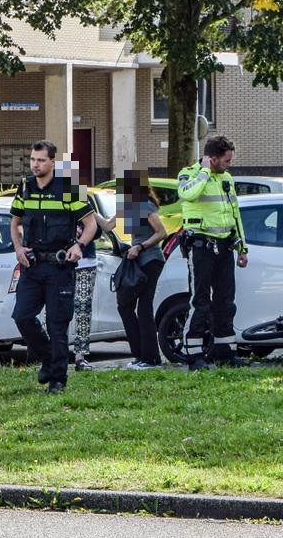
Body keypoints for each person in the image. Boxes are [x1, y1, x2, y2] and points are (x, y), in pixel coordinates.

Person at [10, 142, 97, 393]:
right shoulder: (25, 187)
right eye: (32, 160)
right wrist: (18, 248)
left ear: (52, 162)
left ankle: (58, 379)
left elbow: (90, 224)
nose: (35, 164)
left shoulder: (69, 187)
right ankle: (48, 359)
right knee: (22, 316)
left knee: (57, 325)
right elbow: (15, 223)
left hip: (59, 267)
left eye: (40, 160)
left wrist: (79, 245)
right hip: (32, 266)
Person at [177, 134, 248, 370]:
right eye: (227, 160)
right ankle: (194, 355)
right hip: (201, 247)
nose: (230, 165)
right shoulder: (189, 173)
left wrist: (242, 248)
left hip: (225, 246)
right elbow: (187, 194)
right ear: (213, 159)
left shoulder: (226, 178)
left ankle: (225, 353)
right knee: (200, 301)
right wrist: (205, 172)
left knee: (225, 302)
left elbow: (235, 213)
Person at [115, 170, 168, 369]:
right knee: (125, 306)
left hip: (151, 260)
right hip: (138, 261)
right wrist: (87, 211)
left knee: (144, 308)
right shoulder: (129, 206)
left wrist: (140, 247)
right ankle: (140, 354)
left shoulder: (144, 204)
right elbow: (109, 225)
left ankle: (151, 358)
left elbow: (161, 232)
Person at [71, 192, 117, 371]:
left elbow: (107, 225)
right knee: (57, 309)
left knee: (83, 308)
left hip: (85, 262)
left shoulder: (82, 199)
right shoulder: (55, 198)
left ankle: (80, 356)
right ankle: (54, 353)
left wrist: (128, 205)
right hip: (61, 262)